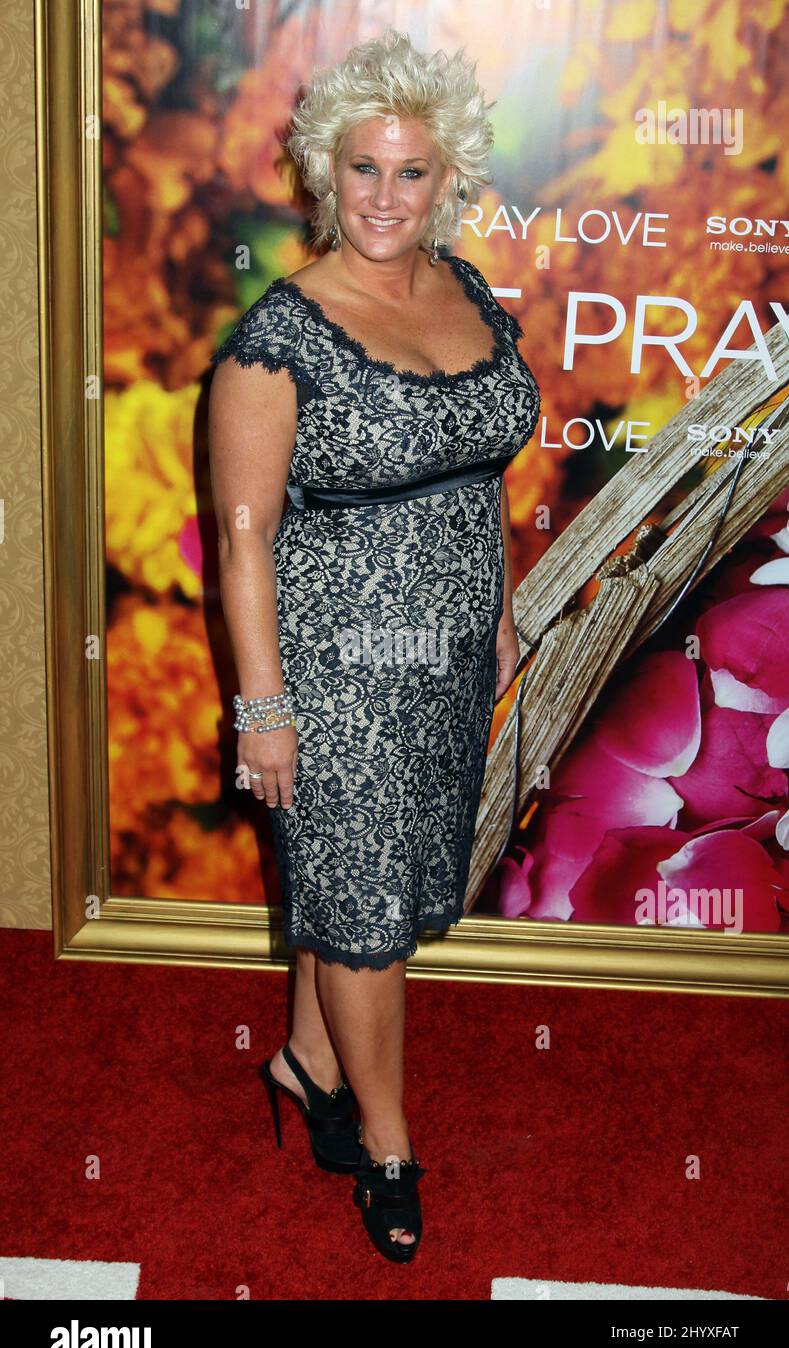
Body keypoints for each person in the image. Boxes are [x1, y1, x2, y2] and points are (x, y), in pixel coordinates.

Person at [208, 27, 540, 1263]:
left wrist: (496, 607)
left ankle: (304, 1059)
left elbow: (478, 468)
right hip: (335, 664)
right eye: (362, 170)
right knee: (365, 919)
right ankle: (389, 1143)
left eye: (410, 172)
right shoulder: (279, 339)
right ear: (322, 172)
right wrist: (264, 708)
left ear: (447, 177)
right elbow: (243, 539)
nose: (385, 197)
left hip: (446, 651)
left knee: (365, 890)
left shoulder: (464, 289)